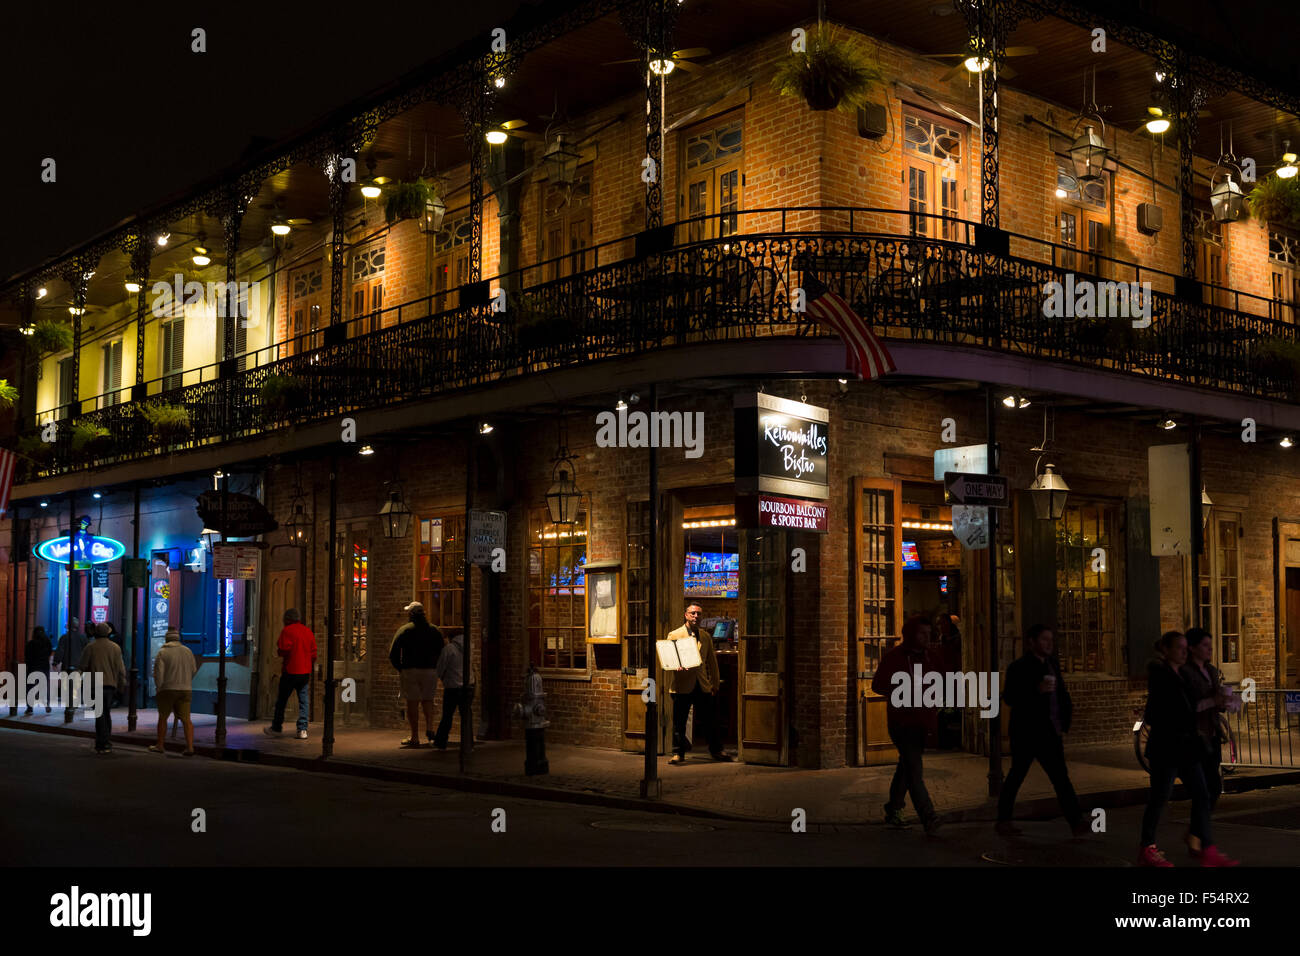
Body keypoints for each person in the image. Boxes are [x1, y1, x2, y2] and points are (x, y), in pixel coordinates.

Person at [1138, 630, 1238, 867]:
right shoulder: (1161, 675)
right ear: (1167, 650)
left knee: (1204, 794)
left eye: (1185, 647)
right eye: (1179, 648)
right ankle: (1147, 847)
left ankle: (1207, 849)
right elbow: (1157, 713)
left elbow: (1190, 706)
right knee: (1160, 798)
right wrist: (1188, 713)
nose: (1184, 652)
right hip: (1166, 747)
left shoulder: (1180, 674)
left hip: (1185, 745)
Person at [995, 624, 1087, 838]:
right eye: (1044, 640)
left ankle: (1076, 822)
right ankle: (1003, 819)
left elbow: (1061, 695)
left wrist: (1065, 722)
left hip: (1050, 732)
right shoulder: (1019, 667)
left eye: (1050, 640)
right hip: (1027, 733)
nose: (1049, 644)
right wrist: (1036, 690)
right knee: (1017, 776)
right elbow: (1010, 697)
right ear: (1032, 642)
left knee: (1061, 779)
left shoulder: (1052, 664)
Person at [871, 615, 943, 835]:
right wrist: (900, 691)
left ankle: (894, 809)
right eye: (922, 633)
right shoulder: (895, 658)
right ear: (911, 634)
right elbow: (877, 685)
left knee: (906, 767)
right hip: (902, 723)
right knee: (914, 771)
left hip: (923, 722)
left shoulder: (930, 657)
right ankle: (929, 817)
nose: (926, 638)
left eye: (929, 634)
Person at [1180, 626, 1233, 858]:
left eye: (1210, 645)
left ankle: (1195, 833)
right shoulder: (1185, 673)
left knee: (1213, 788)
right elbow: (1191, 707)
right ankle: (1200, 840)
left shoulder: (1211, 670)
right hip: (1193, 738)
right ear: (1191, 648)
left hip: (1211, 735)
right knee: (1202, 791)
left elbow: (1215, 702)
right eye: (1204, 645)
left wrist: (1226, 702)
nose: (1209, 649)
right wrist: (1214, 700)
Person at [664, 604, 732, 765]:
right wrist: (676, 665)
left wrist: (715, 684)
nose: (696, 616)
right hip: (682, 685)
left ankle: (716, 750)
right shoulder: (674, 634)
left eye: (699, 614)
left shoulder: (705, 636)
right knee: (679, 723)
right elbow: (668, 658)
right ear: (686, 615)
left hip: (701, 685)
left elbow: (712, 663)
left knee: (710, 721)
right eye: (693, 613)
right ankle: (678, 753)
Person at [389, 601, 444, 747]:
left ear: (411, 614)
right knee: (428, 700)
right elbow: (442, 651)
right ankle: (430, 729)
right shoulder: (435, 630)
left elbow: (393, 653)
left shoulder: (404, 630)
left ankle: (414, 737)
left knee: (412, 702)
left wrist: (400, 667)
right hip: (430, 670)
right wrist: (436, 667)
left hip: (410, 669)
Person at [264, 609, 316, 739]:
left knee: (282, 700)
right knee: (304, 701)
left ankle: (276, 727)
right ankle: (302, 729)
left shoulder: (287, 631)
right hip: (305, 671)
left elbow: (283, 649)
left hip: (291, 670)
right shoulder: (307, 631)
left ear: (287, 619)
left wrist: (283, 654)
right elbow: (314, 653)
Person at [78, 622, 126, 754]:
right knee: (106, 713)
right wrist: (122, 683)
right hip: (110, 685)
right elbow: (121, 668)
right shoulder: (115, 648)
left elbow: (82, 666)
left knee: (99, 714)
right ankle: (105, 740)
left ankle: (102, 742)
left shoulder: (90, 647)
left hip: (95, 684)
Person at [149, 628, 198, 756]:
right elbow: (193, 669)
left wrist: (159, 688)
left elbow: (158, 673)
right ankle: (190, 747)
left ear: (166, 639)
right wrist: (186, 681)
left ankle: (160, 745)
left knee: (163, 717)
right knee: (186, 719)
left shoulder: (162, 653)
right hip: (185, 689)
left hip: (167, 689)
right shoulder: (188, 651)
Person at [432, 627, 469, 750]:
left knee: (447, 716)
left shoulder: (449, 649)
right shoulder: (470, 647)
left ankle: (441, 742)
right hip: (468, 686)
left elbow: (441, 667)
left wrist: (441, 677)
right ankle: (468, 743)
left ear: (451, 637)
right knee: (466, 716)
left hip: (452, 686)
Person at [24, 627, 52, 714]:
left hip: (33, 668)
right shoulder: (47, 643)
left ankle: (30, 708)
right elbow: (49, 653)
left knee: (30, 688)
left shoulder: (30, 644)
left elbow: (27, 656)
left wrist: (29, 664)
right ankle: (47, 705)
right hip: (44, 667)